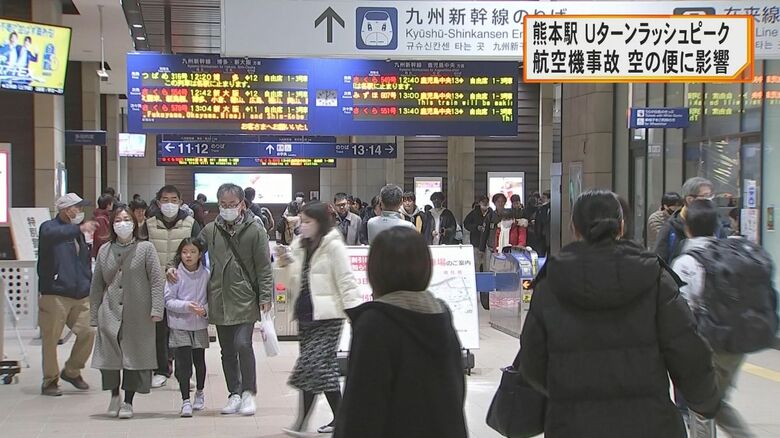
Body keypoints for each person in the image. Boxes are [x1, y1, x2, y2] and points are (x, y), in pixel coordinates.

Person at [518, 190, 720, 437]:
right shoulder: (655, 276)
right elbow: (688, 350)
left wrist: (566, 393)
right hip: (651, 423)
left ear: (574, 228)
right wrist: (704, 402)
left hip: (573, 424)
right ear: (621, 226)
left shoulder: (551, 282)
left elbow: (532, 361)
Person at [335, 227, 467, 438]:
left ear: (375, 270)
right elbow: (456, 388)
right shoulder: (440, 313)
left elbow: (361, 408)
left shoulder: (375, 323)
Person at [169, 183, 273, 416]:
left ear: (242, 205)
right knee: (226, 350)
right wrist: (171, 267)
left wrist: (266, 295)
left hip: (246, 297)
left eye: (232, 205)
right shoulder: (210, 230)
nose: (227, 209)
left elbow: (264, 267)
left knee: (243, 344)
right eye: (223, 205)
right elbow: (189, 250)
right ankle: (234, 393)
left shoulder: (255, 230)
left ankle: (248, 392)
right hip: (219, 298)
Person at [672, 200, 761, 437]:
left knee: (702, 405)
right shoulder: (730, 254)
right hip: (736, 342)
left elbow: (680, 310)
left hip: (708, 345)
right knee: (713, 402)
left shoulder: (686, 262)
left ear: (687, 226)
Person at [276, 202, 362, 435]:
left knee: (312, 366)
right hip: (305, 314)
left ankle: (302, 422)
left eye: (306, 222)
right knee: (324, 369)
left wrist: (355, 312)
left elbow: (346, 279)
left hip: (329, 315)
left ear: (320, 223)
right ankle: (342, 419)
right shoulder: (300, 244)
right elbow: (291, 274)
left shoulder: (333, 245)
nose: (301, 226)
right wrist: (284, 260)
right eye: (300, 221)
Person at [90, 206, 165, 419]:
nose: (122, 223)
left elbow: (156, 281)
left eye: (126, 219)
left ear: (134, 223)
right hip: (110, 310)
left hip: (138, 313)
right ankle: (114, 396)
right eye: (118, 220)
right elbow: (96, 285)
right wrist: (94, 314)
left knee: (134, 356)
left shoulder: (146, 248)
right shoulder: (104, 250)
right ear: (113, 224)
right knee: (109, 357)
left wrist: (157, 309)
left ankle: (128, 401)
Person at [37, 193, 97, 396]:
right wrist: (78, 228)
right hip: (55, 293)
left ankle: (72, 370)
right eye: (77, 207)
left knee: (88, 331)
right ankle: (50, 380)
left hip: (80, 293)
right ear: (65, 209)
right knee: (51, 338)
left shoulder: (77, 233)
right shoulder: (48, 228)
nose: (80, 212)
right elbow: (54, 235)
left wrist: (88, 281)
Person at [144, 185, 202, 389]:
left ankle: (185, 371)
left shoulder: (191, 223)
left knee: (182, 330)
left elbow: (199, 251)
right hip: (155, 285)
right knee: (159, 330)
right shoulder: (148, 224)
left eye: (173, 199)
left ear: (180, 201)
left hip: (182, 286)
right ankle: (161, 370)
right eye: (165, 200)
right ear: (158, 202)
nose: (169, 204)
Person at [165, 238, 210, 418]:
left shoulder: (206, 274)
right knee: (183, 363)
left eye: (192, 252)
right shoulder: (175, 275)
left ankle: (200, 391)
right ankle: (185, 401)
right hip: (179, 324)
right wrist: (186, 307)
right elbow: (168, 300)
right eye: (184, 252)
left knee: (199, 361)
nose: (188, 255)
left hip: (199, 325)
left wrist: (204, 311)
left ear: (200, 254)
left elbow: (210, 299)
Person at [655, 177, 715, 262]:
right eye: (706, 196)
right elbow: (659, 262)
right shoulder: (670, 228)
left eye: (711, 196)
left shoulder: (716, 225)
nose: (710, 200)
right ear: (690, 200)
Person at [464, 196, 494, 272]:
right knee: (476, 263)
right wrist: (476, 227)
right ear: (480, 203)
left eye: (486, 202)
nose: (485, 203)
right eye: (483, 202)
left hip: (488, 242)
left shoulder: (491, 212)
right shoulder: (474, 213)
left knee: (487, 264)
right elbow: (466, 224)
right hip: (476, 241)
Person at [91, 194, 114, 258]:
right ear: (108, 205)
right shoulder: (101, 218)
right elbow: (102, 238)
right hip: (103, 253)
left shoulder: (102, 216)